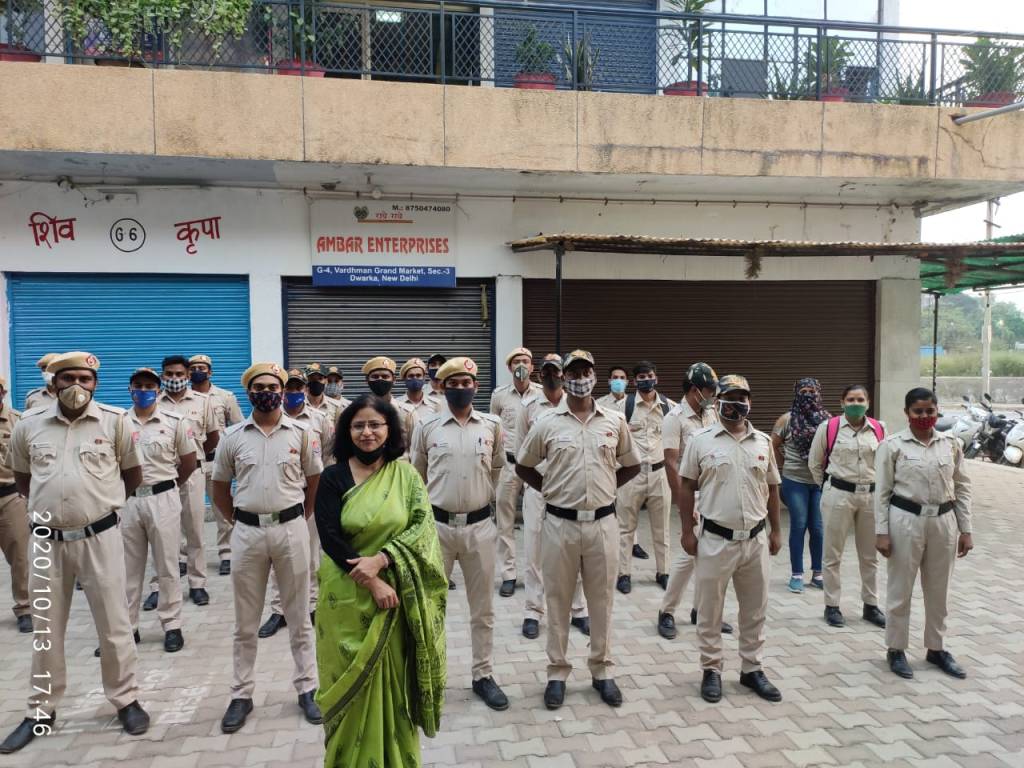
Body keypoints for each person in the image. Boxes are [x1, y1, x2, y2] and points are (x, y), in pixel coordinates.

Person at [1, 352, 150, 754]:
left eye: (86, 379)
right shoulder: (28, 425)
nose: (77, 386)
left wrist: (96, 506)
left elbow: (132, 474)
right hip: (46, 541)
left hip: (100, 538)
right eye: (68, 378)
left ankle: (126, 699)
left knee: (115, 625)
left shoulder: (115, 422)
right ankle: (41, 710)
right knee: (46, 629)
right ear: (53, 384)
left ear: (95, 383)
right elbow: (23, 478)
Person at [315, 394, 446, 767]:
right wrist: (372, 581)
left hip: (396, 592)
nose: (367, 432)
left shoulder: (406, 476)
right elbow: (329, 537)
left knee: (391, 684)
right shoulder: (332, 477)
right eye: (358, 425)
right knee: (347, 682)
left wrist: (383, 560)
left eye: (375, 424)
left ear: (390, 430)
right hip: (345, 594)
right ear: (347, 431)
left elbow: (422, 527)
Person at [517, 349, 640, 711]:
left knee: (602, 601)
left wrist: (607, 487)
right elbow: (523, 465)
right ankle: (557, 673)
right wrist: (551, 489)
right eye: (573, 373)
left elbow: (632, 464)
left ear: (594, 376)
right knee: (557, 599)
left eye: (586, 371)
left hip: (603, 524)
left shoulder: (614, 421)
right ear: (564, 377)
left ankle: (602, 670)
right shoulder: (547, 423)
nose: (580, 378)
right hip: (559, 525)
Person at [211, 362, 323, 733]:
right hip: (247, 533)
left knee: (299, 616)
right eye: (259, 387)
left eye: (273, 387)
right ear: (249, 392)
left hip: (291, 529)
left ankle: (307, 688)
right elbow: (219, 486)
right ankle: (241, 694)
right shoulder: (232, 436)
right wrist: (237, 520)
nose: (267, 393)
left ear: (283, 390)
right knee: (246, 622)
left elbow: (314, 480)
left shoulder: (302, 433)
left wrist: (299, 517)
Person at [410, 356, 509, 710]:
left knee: (482, 609)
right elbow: (417, 475)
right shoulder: (426, 427)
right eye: (453, 383)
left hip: (480, 529)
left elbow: (495, 469)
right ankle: (429, 676)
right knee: (430, 607)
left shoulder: (493, 426)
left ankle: (483, 675)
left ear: (476, 387)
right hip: (437, 529)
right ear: (441, 387)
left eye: (466, 383)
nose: (460, 388)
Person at [681, 374, 783, 705]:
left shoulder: (763, 442)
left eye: (742, 397)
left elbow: (772, 488)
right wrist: (686, 530)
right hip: (715, 539)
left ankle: (752, 668)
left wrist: (776, 530)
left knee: (755, 609)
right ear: (717, 400)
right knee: (710, 609)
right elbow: (687, 486)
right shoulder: (700, 441)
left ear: (750, 402)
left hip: (755, 540)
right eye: (730, 397)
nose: (736, 403)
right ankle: (711, 669)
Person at [875, 387, 972, 681]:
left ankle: (936, 648)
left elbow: (962, 487)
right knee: (900, 588)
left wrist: (966, 529)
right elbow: (881, 493)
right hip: (905, 521)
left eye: (930, 411)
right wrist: (881, 532)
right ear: (907, 413)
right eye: (917, 411)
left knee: (939, 590)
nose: (924, 416)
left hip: (943, 522)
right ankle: (896, 649)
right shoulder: (892, 446)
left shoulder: (951, 444)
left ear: (937, 411)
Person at [102, 368, 196, 656]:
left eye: (149, 386)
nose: (143, 391)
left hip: (162, 498)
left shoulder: (175, 421)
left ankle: (172, 625)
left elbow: (188, 462)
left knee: (167, 565)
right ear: (130, 389)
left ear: (158, 390)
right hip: (128, 501)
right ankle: (128, 628)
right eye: (138, 386)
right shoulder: (117, 422)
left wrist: (168, 487)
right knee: (126, 569)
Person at [657, 363, 733, 640]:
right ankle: (666, 611)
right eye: (709, 390)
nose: (713, 395)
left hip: (715, 493)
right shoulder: (674, 418)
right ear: (693, 390)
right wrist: (683, 506)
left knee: (712, 555)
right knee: (688, 555)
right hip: (693, 493)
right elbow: (670, 462)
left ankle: (701, 611)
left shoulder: (711, 412)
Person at [516, 354, 589, 641]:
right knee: (534, 551)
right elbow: (521, 454)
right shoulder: (528, 407)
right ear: (540, 375)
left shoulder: (577, 404)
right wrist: (539, 485)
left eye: (556, 372)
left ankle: (578, 609)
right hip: (538, 489)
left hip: (570, 491)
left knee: (574, 550)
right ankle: (533, 611)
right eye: (546, 372)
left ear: (564, 375)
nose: (551, 376)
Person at [259, 369, 335, 639]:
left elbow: (327, 455)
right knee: (276, 557)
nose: (293, 393)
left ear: (305, 390)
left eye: (297, 388)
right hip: (280, 495)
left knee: (310, 554)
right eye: (288, 389)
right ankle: (278, 609)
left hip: (310, 493)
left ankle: (311, 605)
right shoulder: (270, 418)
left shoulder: (320, 419)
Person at [808, 384, 887, 629]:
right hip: (838, 495)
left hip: (870, 496)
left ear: (868, 402)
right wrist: (829, 488)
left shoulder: (880, 428)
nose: (856, 404)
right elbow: (814, 463)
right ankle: (832, 606)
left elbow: (885, 464)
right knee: (832, 554)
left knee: (870, 555)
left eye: (860, 399)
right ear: (842, 403)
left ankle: (871, 605)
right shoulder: (828, 427)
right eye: (851, 400)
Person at [149, 355, 219, 609]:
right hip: (163, 476)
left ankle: (197, 584)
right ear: (162, 376)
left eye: (179, 374)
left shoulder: (203, 402)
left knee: (195, 531)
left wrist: (193, 457)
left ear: (188, 376)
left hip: (193, 475)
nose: (174, 378)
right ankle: (159, 587)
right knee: (161, 534)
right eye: (169, 374)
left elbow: (213, 437)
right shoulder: (154, 402)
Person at [612, 361, 675, 594]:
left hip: (660, 473)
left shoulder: (670, 408)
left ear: (656, 378)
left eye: (649, 376)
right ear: (634, 381)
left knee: (662, 528)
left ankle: (663, 572)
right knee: (625, 527)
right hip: (632, 474)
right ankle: (623, 574)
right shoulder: (623, 408)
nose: (646, 380)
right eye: (641, 377)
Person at [490, 346, 541, 598]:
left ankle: (536, 574)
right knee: (505, 522)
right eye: (516, 361)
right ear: (509, 367)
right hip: (508, 465)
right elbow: (493, 429)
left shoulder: (541, 395)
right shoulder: (499, 395)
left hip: (534, 466)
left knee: (536, 523)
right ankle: (508, 575)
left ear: (532, 367)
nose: (521, 365)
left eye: (526, 361)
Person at [188, 354, 243, 577]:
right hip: (190, 465)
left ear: (210, 372)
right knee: (187, 514)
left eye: (202, 368)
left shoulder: (225, 397)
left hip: (217, 461)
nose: (197, 371)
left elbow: (238, 427)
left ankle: (227, 554)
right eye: (193, 368)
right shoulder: (180, 399)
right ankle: (183, 557)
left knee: (222, 510)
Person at [772, 378, 829, 594]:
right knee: (799, 524)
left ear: (819, 393)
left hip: (819, 481)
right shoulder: (786, 419)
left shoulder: (827, 420)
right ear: (796, 393)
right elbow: (772, 445)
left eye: (811, 391)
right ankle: (796, 574)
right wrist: (783, 464)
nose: (807, 395)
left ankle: (818, 574)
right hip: (794, 480)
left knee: (818, 528)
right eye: (803, 391)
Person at [598, 365, 647, 561]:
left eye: (621, 377)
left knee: (629, 506)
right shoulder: (599, 404)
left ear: (627, 382)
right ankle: (607, 540)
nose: (618, 380)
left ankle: (633, 543)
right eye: (614, 377)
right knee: (606, 503)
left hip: (627, 462)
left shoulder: (636, 403)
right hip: (607, 460)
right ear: (609, 381)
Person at [0, 376, 31, 633]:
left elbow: (32, 460)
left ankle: (25, 608)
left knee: (20, 556)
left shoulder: (18, 422)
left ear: (3, 392)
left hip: (10, 496)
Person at [362, 357, 417, 443]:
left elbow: (415, 446)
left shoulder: (408, 413)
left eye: (385, 376)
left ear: (394, 380)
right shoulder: (359, 411)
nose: (380, 379)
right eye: (375, 377)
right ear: (367, 380)